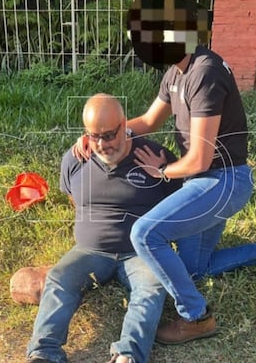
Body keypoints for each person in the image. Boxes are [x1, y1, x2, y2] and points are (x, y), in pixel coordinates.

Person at [74, 0, 256, 347]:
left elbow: (199, 160)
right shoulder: (176, 72)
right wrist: (103, 135)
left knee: (145, 234)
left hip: (223, 182)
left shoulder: (205, 72)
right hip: (204, 183)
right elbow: (150, 121)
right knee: (193, 268)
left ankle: (196, 316)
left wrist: (164, 171)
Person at [27, 94, 182, 363]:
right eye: (94, 135)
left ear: (124, 124)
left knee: (151, 287)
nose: (101, 144)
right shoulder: (75, 160)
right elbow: (74, 199)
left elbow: (181, 202)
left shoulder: (153, 156)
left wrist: (164, 171)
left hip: (140, 252)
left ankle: (127, 355)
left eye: (109, 135)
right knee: (59, 279)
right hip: (90, 251)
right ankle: (43, 353)